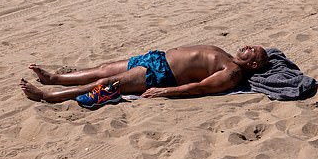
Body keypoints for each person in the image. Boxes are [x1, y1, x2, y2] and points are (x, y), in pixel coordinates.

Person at [20, 44, 269, 109]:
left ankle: (48, 96)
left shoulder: (233, 72)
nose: (247, 46)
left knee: (104, 83)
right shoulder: (228, 56)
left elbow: (201, 87)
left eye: (252, 50)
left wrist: (166, 91)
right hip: (156, 58)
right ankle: (54, 79)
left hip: (161, 74)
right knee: (104, 68)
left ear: (254, 63)